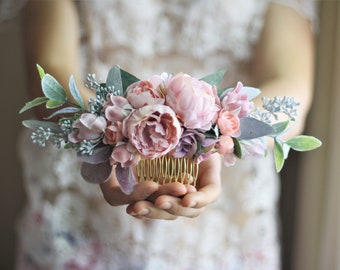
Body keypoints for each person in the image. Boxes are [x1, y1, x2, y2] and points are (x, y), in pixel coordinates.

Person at [14, 0, 316, 269]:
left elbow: (291, 92)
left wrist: (214, 139)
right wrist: (109, 138)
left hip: (226, 229)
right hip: (80, 220)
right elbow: (49, 71)